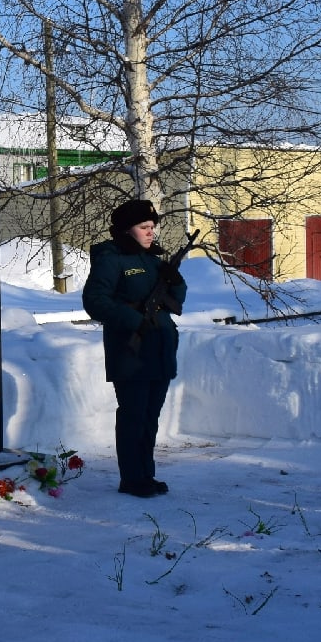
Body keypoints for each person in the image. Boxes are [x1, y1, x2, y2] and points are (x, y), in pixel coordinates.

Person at [81, 199, 188, 498]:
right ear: (127, 230)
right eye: (144, 227)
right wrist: (133, 320)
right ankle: (131, 478)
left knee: (150, 419)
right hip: (131, 353)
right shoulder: (111, 259)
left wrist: (174, 280)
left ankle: (146, 475)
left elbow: (176, 301)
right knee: (133, 417)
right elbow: (95, 301)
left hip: (159, 351)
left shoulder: (153, 260)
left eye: (152, 227)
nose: (151, 232)